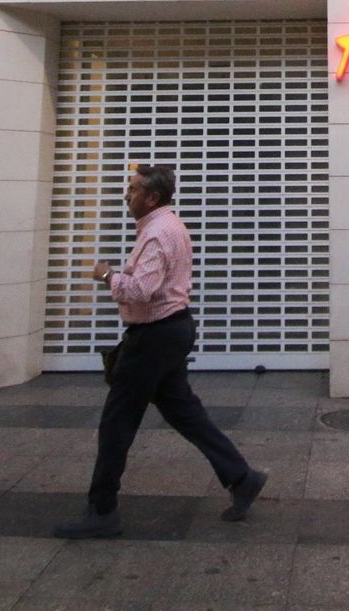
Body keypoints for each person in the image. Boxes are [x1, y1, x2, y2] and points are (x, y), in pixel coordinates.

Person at [54, 163, 267, 539]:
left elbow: (140, 291)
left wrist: (107, 275)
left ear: (152, 197)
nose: (127, 195)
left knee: (117, 421)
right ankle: (241, 477)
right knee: (183, 411)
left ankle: (102, 511)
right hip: (171, 330)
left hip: (154, 337)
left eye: (134, 189)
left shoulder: (157, 234)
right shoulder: (170, 226)